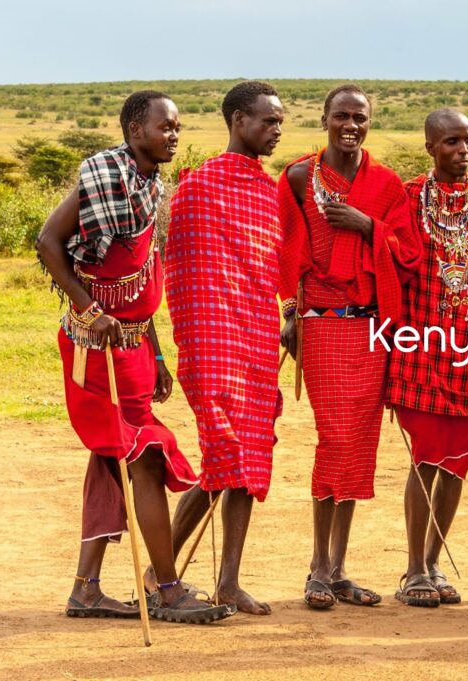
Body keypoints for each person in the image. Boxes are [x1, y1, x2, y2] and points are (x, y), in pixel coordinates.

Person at [37, 90, 232, 623]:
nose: (173, 135)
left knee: (110, 463)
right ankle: (167, 589)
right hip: (93, 347)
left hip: (134, 348)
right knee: (144, 455)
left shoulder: (149, 186)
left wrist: (158, 353)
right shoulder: (101, 180)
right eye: (164, 127)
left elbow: (144, 278)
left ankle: (86, 589)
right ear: (133, 130)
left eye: (177, 127)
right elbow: (49, 242)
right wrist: (89, 307)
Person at [277, 84, 423, 609]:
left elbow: (410, 254)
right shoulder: (297, 176)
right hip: (321, 324)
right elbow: (285, 252)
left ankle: (339, 569)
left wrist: (367, 226)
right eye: (341, 115)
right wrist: (290, 313)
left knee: (360, 445)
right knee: (334, 439)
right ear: (323, 118)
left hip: (371, 330)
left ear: (369, 123)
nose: (351, 125)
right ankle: (317, 567)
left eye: (359, 117)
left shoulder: (385, 185)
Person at [161, 81, 285, 616]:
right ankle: (161, 574)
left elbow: (271, 264)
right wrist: (191, 335)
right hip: (210, 336)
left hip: (256, 334)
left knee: (249, 457)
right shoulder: (199, 186)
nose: (276, 129)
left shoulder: (267, 189)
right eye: (267, 120)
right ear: (238, 120)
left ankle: (228, 581)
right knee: (225, 455)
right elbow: (180, 270)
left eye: (280, 121)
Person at [386, 108, 468, 607]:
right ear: (430, 147)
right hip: (420, 348)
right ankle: (413, 569)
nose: (463, 150)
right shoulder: (409, 198)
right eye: (452, 142)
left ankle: (435, 562)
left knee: (457, 462)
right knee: (426, 457)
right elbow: (391, 257)